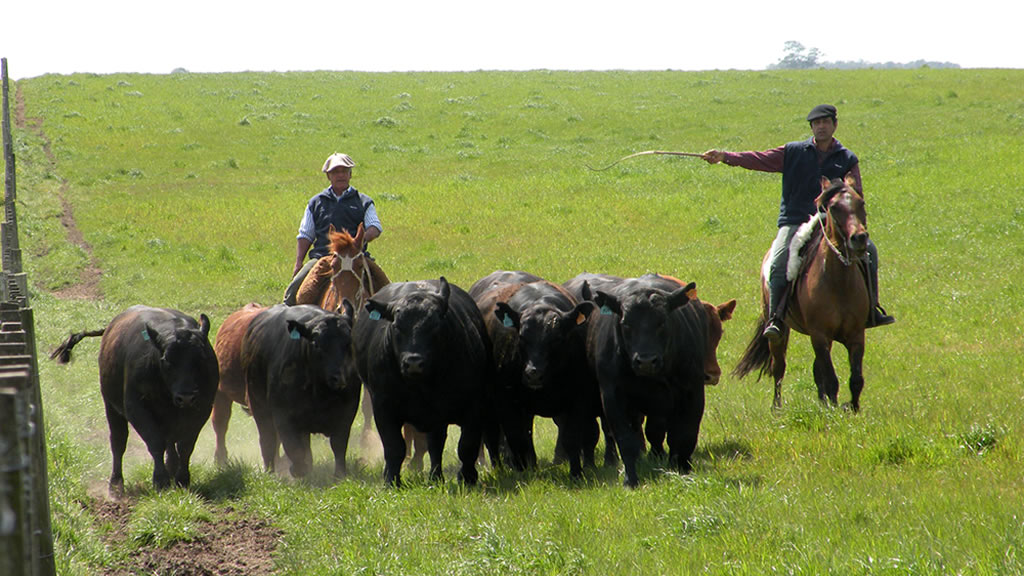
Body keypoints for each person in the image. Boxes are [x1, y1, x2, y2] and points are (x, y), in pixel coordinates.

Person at [702, 104, 894, 343]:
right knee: (779, 259)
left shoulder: (846, 157)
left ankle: (871, 309)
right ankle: (776, 317)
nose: (821, 127)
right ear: (811, 128)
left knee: (870, 251)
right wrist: (725, 157)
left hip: (832, 220)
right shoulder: (793, 151)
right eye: (816, 123)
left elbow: (856, 193)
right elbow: (759, 159)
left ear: (834, 125)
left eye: (826, 122)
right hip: (795, 220)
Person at [282, 152, 389, 305]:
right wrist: (298, 263)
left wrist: (361, 238)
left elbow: (375, 226)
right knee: (295, 291)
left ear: (350, 174)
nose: (340, 175)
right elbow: (306, 234)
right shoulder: (316, 202)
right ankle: (290, 324)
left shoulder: (363, 201)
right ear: (328, 176)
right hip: (324, 258)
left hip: (357, 257)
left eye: (344, 171)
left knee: (388, 292)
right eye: (335, 172)